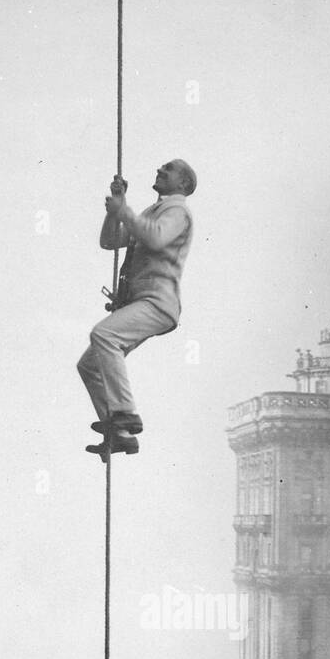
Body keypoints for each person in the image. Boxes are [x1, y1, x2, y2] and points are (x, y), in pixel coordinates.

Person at [78, 158, 196, 457]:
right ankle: (119, 432)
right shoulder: (152, 212)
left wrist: (124, 211)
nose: (159, 170)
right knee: (90, 364)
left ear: (182, 183)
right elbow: (110, 241)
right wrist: (117, 209)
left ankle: (125, 414)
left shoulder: (177, 210)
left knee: (104, 336)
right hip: (145, 301)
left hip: (157, 302)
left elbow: (155, 238)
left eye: (168, 169)